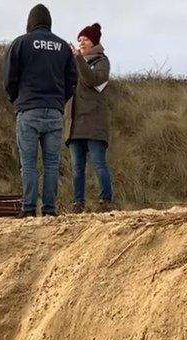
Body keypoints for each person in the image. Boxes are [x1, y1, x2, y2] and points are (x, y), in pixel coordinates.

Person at [3, 4, 78, 217]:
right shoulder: (63, 46)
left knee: (28, 163)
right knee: (51, 163)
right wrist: (59, 101)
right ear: (49, 22)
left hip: (28, 110)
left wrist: (16, 99)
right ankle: (49, 210)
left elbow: (9, 78)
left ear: (30, 22)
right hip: (54, 111)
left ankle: (28, 209)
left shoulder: (20, 43)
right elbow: (72, 80)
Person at [65, 23, 113, 213]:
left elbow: (93, 80)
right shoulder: (75, 61)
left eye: (85, 39)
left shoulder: (102, 61)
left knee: (99, 163)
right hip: (74, 123)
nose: (81, 42)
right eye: (79, 40)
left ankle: (106, 200)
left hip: (94, 123)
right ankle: (78, 203)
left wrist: (78, 60)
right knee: (76, 167)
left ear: (94, 41)